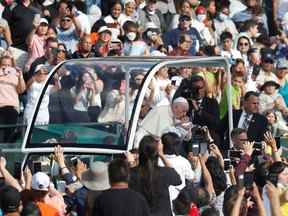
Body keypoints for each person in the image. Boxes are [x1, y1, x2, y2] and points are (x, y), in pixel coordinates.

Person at [129, 135, 181, 216]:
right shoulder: (165, 172)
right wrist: (162, 155)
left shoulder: (131, 173)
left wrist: (131, 163)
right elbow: (178, 179)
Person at [173, 75, 220, 146]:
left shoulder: (211, 102)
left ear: (204, 88)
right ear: (191, 89)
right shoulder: (186, 102)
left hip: (205, 138)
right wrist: (182, 85)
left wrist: (199, 110)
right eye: (195, 88)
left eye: (200, 88)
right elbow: (174, 104)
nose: (198, 91)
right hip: (186, 138)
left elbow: (216, 123)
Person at [0, 54, 26, 142]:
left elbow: (21, 90)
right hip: (0, 107)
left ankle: (4, 155)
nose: (6, 67)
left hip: (12, 107)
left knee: (9, 134)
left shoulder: (15, 76)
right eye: (4, 65)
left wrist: (20, 77)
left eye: (9, 65)